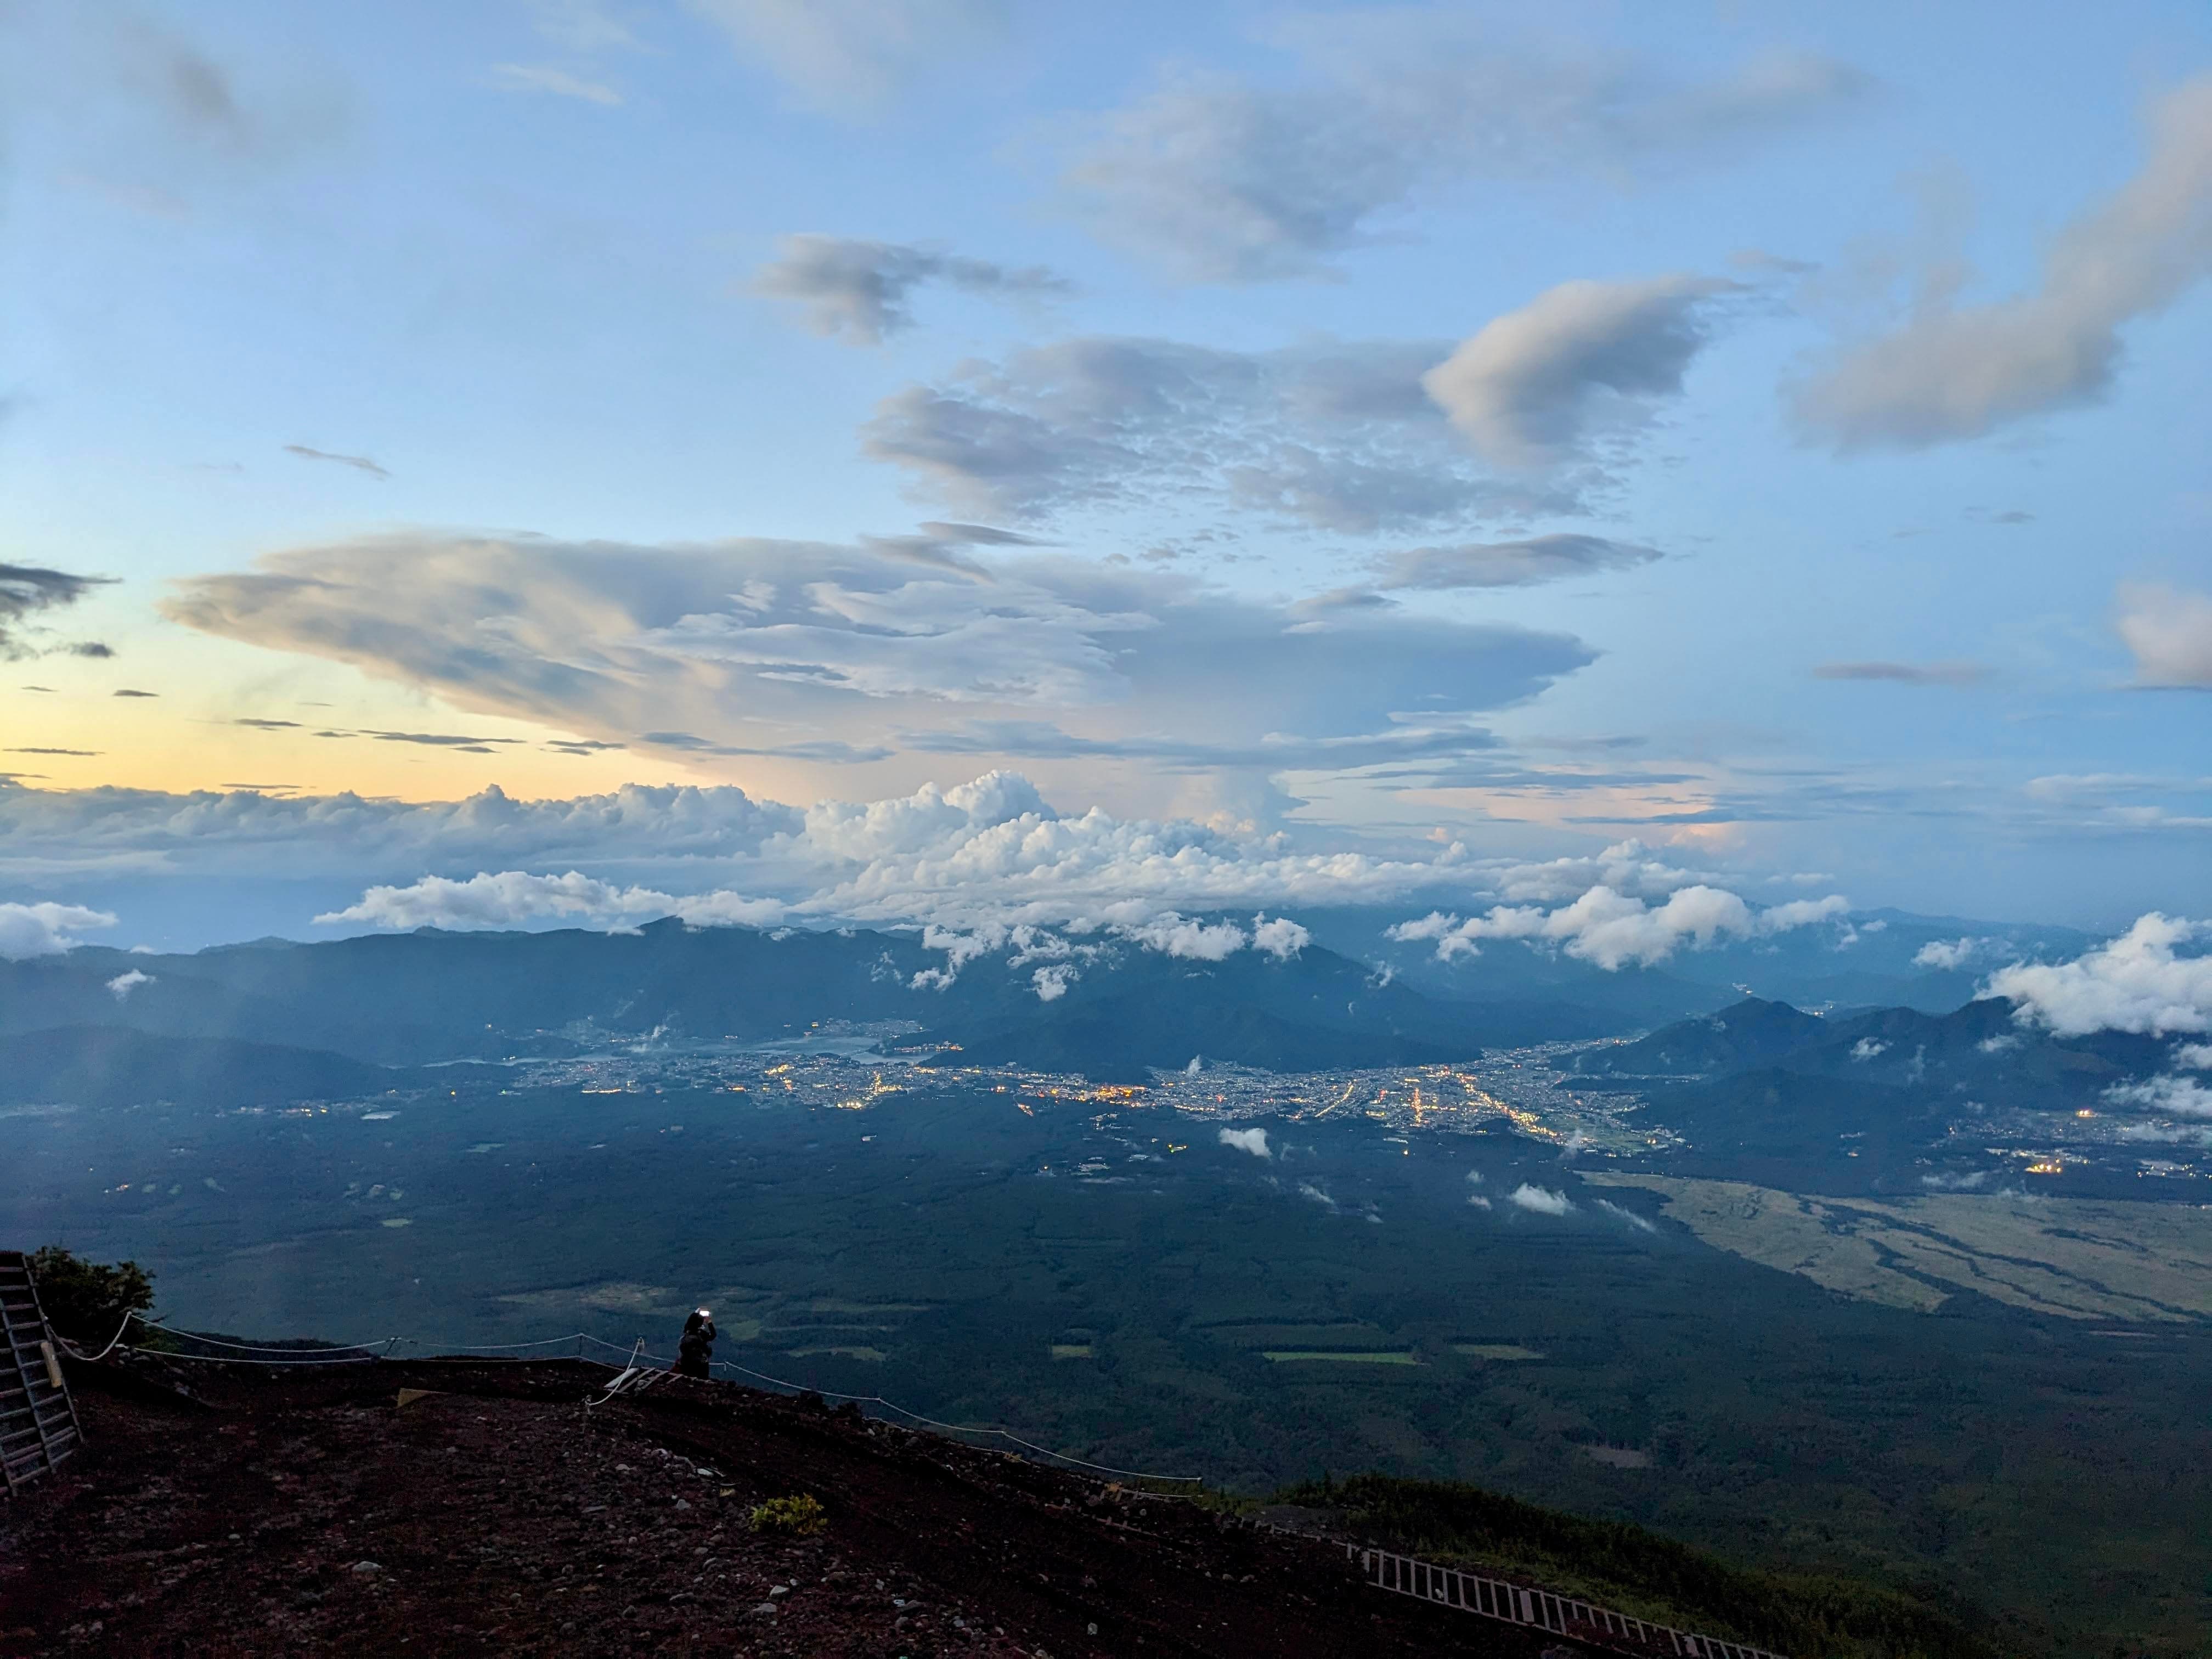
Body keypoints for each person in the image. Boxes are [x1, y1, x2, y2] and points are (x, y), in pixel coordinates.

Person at [676, 1307, 715, 1378]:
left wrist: (695, 1315)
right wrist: (709, 1322)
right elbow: (713, 1335)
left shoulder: (686, 1335)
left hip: (686, 1366)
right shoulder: (702, 1335)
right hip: (701, 1367)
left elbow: (689, 1325)